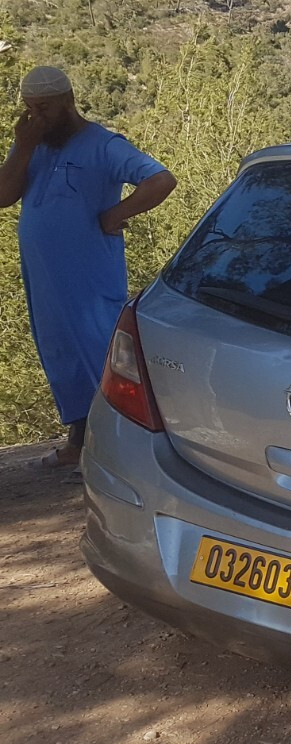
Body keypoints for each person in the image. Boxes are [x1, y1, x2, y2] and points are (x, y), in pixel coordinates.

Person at [0, 66, 176, 470]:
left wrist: (116, 214)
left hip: (89, 273)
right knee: (60, 353)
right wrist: (23, 147)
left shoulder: (104, 145)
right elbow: (4, 195)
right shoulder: (32, 143)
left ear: (67, 101)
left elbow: (161, 180)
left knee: (101, 351)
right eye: (29, 108)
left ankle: (119, 450)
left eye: (43, 108)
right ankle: (78, 443)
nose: (35, 117)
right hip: (44, 276)